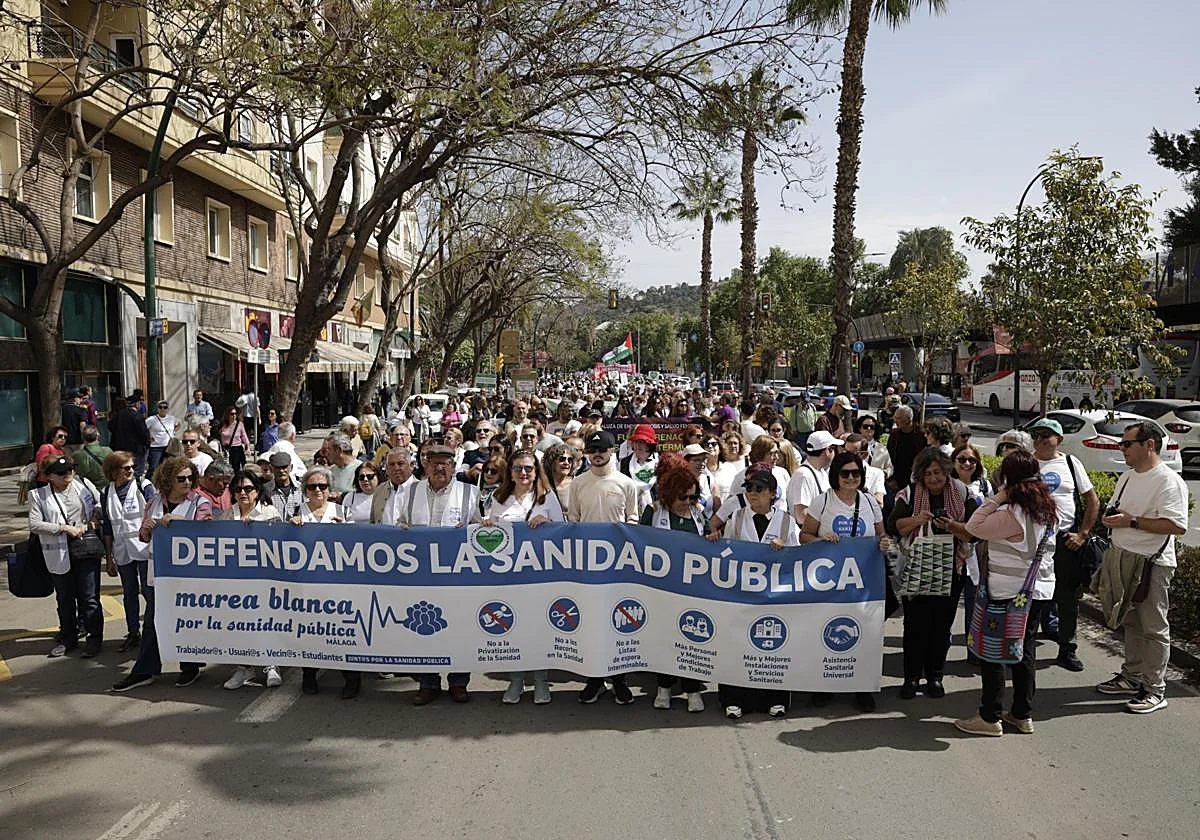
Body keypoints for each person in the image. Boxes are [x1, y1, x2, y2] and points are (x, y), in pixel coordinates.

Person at [951, 449, 1057, 736]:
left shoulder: (1012, 514)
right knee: (1025, 651)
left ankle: (990, 716)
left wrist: (998, 496)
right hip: (1040, 590)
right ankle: (1022, 714)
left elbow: (973, 527)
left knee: (993, 652)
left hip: (1008, 592)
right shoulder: (1047, 509)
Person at [1096, 422, 1189, 715]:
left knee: (1154, 628)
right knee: (1132, 622)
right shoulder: (1127, 476)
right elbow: (1118, 510)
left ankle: (1155, 689)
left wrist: (1131, 521)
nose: (1121, 449)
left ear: (1149, 445)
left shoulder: (1168, 481)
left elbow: (1177, 526)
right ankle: (1131, 676)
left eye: (1127, 444)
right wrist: (1113, 519)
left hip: (1152, 564)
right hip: (1124, 557)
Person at [110, 456, 214, 691]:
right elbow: (144, 537)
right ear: (168, 480)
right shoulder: (154, 502)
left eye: (190, 477)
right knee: (153, 621)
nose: (187, 482)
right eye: (181, 478)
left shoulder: (200, 503)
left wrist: (180, 522)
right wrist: (145, 531)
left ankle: (190, 666)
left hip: (188, 576)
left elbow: (206, 533)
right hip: (158, 573)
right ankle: (145, 670)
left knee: (187, 620)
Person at [888, 447, 979, 700]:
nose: (933, 478)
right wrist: (918, 519)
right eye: (927, 474)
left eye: (937, 472)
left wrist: (951, 525)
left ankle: (935, 677)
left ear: (946, 472)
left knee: (941, 626)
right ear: (920, 476)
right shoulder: (909, 494)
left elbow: (974, 530)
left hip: (951, 569)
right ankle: (911, 677)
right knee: (915, 625)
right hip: (917, 567)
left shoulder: (961, 493)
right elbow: (894, 526)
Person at [395, 444, 482, 703]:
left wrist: (467, 530)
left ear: (454, 466)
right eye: (434, 462)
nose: (440, 467)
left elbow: (479, 528)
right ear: (426, 465)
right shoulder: (409, 491)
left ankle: (458, 681)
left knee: (459, 627)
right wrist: (403, 529)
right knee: (423, 628)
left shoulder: (470, 492)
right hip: (420, 574)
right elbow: (398, 524)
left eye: (445, 462)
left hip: (458, 574)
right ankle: (428, 682)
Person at [718, 466, 800, 718]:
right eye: (749, 489)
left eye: (759, 489)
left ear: (772, 494)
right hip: (742, 592)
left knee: (773, 644)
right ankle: (734, 698)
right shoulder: (737, 517)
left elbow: (798, 557)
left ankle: (774, 698)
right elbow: (725, 551)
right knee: (736, 643)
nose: (752, 494)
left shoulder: (786, 521)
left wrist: (784, 547)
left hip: (774, 594)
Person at [567, 430, 642, 704]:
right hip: (587, 568)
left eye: (603, 449)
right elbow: (572, 521)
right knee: (590, 624)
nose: (597, 454)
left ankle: (620, 679)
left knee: (618, 622)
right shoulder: (578, 483)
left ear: (612, 451)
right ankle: (595, 678)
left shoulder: (626, 484)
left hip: (619, 568)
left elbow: (632, 522)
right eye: (592, 450)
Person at [487, 449, 564, 705]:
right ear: (510, 471)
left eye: (528, 468)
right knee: (513, 628)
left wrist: (547, 523)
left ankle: (541, 679)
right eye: (518, 468)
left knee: (539, 628)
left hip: (540, 575)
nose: (523, 473)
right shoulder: (499, 498)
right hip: (507, 576)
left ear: (536, 471)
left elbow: (563, 533)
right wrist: (487, 526)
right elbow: (492, 536)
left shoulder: (547, 497)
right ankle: (517, 679)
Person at [1026, 417, 1100, 673]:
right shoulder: (1026, 463)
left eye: (1047, 434)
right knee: (1030, 594)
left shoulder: (1070, 463)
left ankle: (1067, 648)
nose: (1040, 439)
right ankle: (1023, 648)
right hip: (1031, 542)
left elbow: (1092, 500)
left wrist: (1082, 534)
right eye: (1036, 435)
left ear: (1059, 439)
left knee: (1067, 597)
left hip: (1065, 541)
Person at [641, 457, 708, 713]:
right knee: (665, 639)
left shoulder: (699, 514)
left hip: (694, 589)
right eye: (683, 498)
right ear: (670, 495)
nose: (688, 503)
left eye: (692, 497)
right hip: (662, 588)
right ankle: (664, 686)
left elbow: (711, 541)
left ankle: (692, 688)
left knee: (691, 638)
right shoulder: (654, 512)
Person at [292, 466, 362, 698]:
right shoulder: (296, 512)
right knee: (309, 631)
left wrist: (346, 530)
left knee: (343, 631)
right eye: (312, 487)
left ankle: (351, 678)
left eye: (322, 486)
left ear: (330, 489)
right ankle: (309, 675)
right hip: (307, 583)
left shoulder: (342, 510)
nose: (318, 491)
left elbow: (357, 544)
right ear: (305, 490)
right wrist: (290, 528)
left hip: (338, 583)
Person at [28, 455, 103, 657]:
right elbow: (34, 524)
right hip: (59, 552)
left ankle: (94, 639)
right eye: (61, 473)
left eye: (70, 469)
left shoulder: (83, 485)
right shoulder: (38, 495)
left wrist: (95, 517)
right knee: (65, 598)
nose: (68, 474)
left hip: (85, 547)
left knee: (90, 598)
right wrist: (63, 528)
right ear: (49, 476)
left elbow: (99, 503)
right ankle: (68, 638)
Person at [221, 470, 284, 691]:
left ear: (257, 491)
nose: (243, 493)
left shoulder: (269, 513)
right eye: (237, 489)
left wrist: (254, 531)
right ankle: (244, 666)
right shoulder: (228, 515)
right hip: (237, 582)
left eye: (248, 488)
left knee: (267, 623)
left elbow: (280, 545)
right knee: (240, 625)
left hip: (265, 580)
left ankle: (271, 664)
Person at [99, 451, 155, 653]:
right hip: (122, 551)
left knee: (148, 591)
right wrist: (109, 557)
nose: (131, 470)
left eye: (132, 466)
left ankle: (154, 629)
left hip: (144, 548)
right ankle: (133, 633)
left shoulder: (143, 486)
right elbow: (107, 527)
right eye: (126, 468)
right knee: (129, 592)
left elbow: (155, 512)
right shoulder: (106, 492)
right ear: (113, 471)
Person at [951, 442, 991, 663]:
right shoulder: (947, 486)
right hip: (952, 553)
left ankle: (973, 652)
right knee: (947, 606)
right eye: (962, 459)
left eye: (971, 460)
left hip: (977, 554)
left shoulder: (984, 486)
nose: (967, 464)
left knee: (974, 604)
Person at [787, 430, 841, 526]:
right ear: (828, 450)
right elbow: (801, 516)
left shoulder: (822, 472)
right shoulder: (803, 475)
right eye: (834, 449)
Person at [885, 405, 925, 495]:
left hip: (916, 479)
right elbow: (889, 457)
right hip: (897, 480)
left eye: (898, 418)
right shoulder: (894, 435)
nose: (895, 420)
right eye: (894, 417)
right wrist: (891, 479)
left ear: (908, 419)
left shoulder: (921, 434)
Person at [372, 448, 417, 525]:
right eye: (392, 464)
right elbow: (373, 522)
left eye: (400, 463)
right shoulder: (380, 490)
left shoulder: (421, 489)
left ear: (411, 466)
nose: (396, 468)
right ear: (386, 468)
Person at [109, 397, 151, 477]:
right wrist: (147, 443)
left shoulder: (118, 414)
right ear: (136, 404)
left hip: (120, 447)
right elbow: (143, 433)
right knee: (137, 471)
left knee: (123, 469)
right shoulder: (137, 416)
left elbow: (110, 426)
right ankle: (136, 486)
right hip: (136, 449)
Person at [842, 434, 885, 505]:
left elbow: (880, 504)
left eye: (853, 453)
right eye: (846, 452)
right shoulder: (836, 471)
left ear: (864, 455)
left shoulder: (877, 474)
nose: (848, 457)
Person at [266, 451, 304, 520]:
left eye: (284, 467)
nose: (281, 471)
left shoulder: (301, 489)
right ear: (271, 469)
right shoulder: (265, 490)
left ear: (291, 467)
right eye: (278, 467)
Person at [146, 400, 179, 477]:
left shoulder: (172, 418)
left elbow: (178, 424)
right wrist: (149, 436)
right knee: (154, 467)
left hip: (169, 447)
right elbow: (143, 428)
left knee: (168, 467)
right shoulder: (152, 419)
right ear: (157, 409)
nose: (163, 409)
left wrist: (174, 432)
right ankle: (148, 483)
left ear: (168, 409)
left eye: (165, 407)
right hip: (156, 447)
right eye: (160, 407)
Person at [853, 414, 892, 478]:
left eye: (872, 427)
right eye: (865, 426)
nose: (869, 429)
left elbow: (889, 468)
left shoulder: (882, 449)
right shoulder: (852, 445)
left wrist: (883, 474)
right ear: (859, 428)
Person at [543, 441, 578, 513]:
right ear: (551, 461)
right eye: (562, 459)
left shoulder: (577, 484)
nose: (566, 463)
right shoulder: (541, 484)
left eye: (570, 460)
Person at [217, 406, 252, 473]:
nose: (234, 416)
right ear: (227, 415)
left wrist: (248, 448)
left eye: (235, 414)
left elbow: (244, 437)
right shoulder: (223, 425)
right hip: (225, 450)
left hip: (237, 449)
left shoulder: (239, 424)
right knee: (225, 469)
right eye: (232, 414)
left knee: (235, 469)